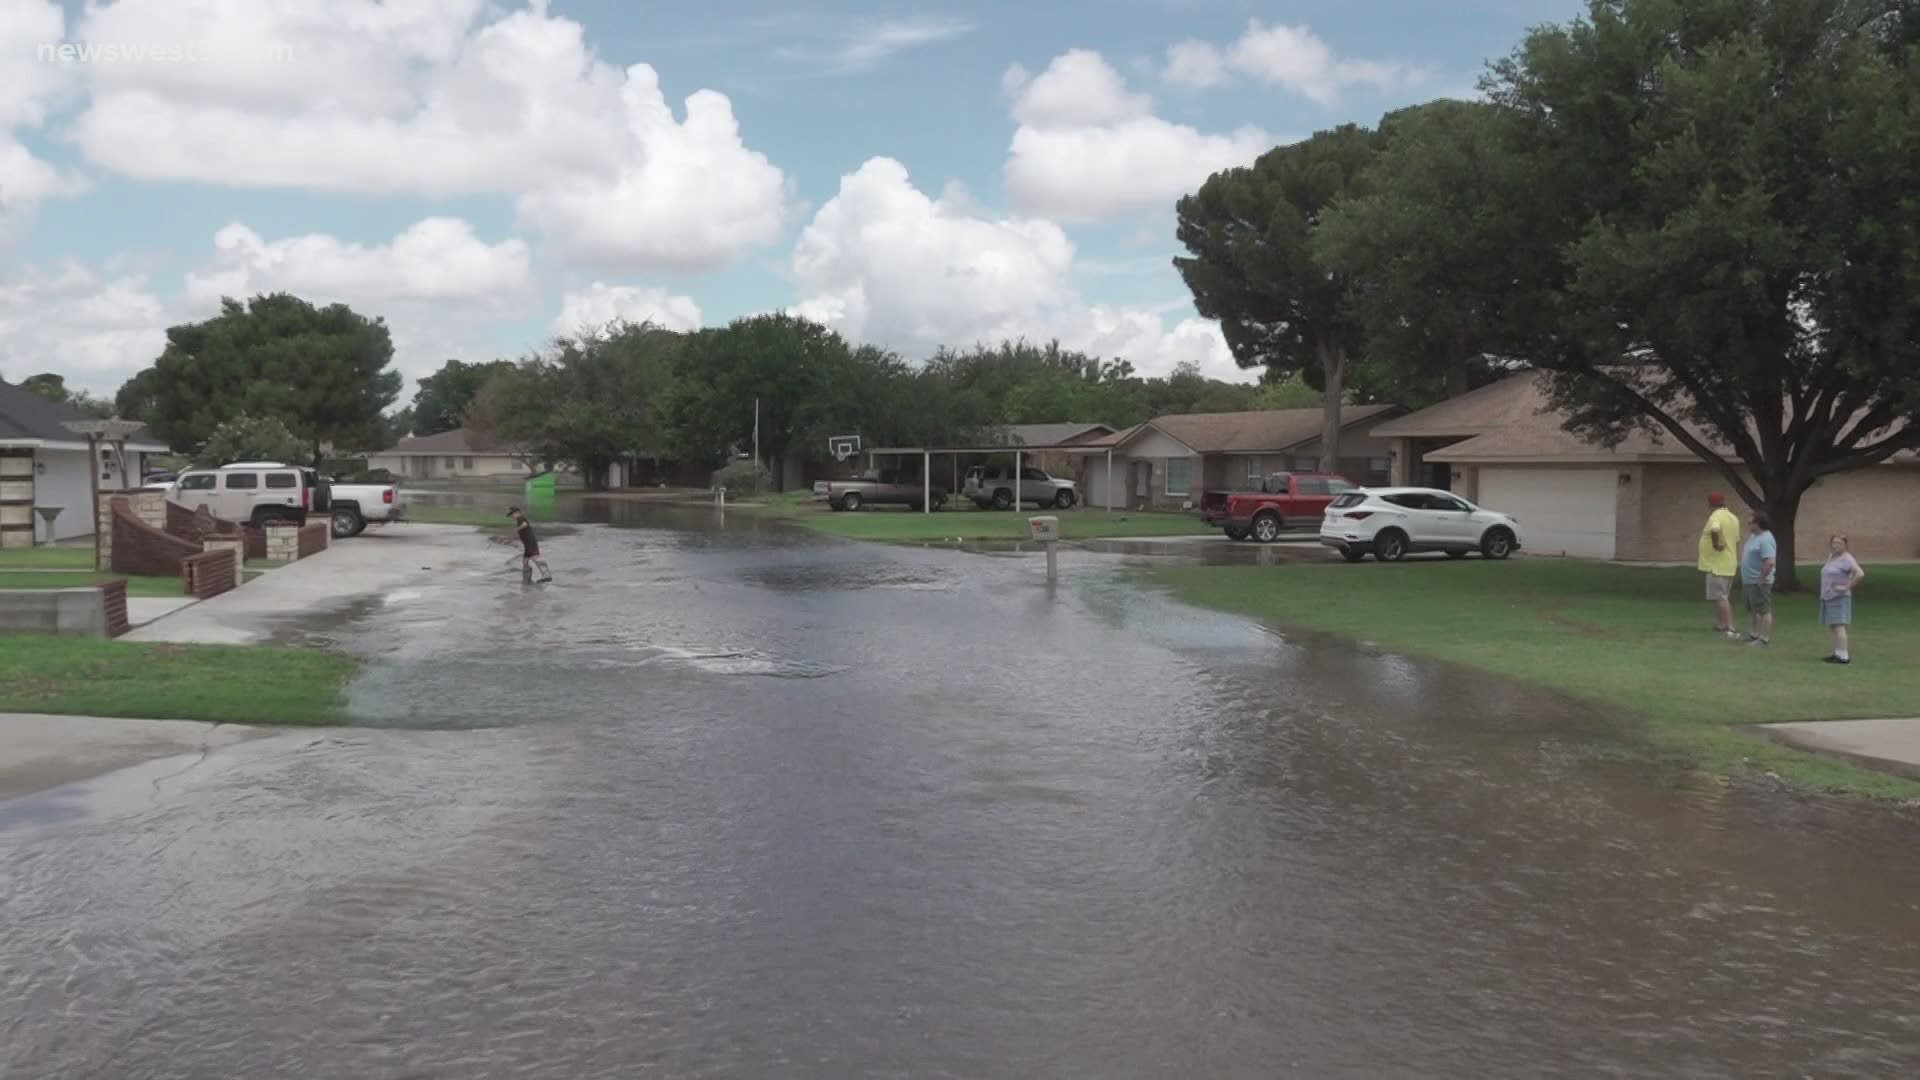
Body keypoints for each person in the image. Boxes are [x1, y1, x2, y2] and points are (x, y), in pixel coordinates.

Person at [1698, 492, 1741, 638]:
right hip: (1729, 563)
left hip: (1717, 564)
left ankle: (1730, 627)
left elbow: (1715, 529)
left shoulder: (1716, 516)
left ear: (1712, 504)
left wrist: (1716, 544)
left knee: (1721, 596)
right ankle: (1721, 624)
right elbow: (1736, 540)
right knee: (1722, 596)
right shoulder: (1733, 517)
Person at [1819, 534, 1865, 665]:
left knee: (1839, 625)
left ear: (1845, 544)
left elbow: (1860, 574)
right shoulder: (1832, 557)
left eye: (1839, 543)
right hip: (1828, 596)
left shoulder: (1847, 559)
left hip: (1839, 597)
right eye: (1833, 543)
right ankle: (1837, 653)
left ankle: (1844, 656)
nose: (1835, 545)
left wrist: (1846, 587)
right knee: (1833, 625)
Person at [1738, 511, 1776, 646]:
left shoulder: (1766, 539)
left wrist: (1761, 577)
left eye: (1751, 522)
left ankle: (1764, 639)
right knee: (1752, 609)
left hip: (1759, 581)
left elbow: (1770, 561)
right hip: (1749, 581)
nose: (1748, 524)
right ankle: (1754, 634)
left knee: (1763, 609)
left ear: (1758, 523)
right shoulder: (1753, 537)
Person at [507, 507, 552, 583]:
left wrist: (516, 530)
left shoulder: (521, 518)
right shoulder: (519, 520)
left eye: (512, 514)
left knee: (534, 557)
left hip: (530, 542)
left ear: (517, 512)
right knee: (525, 561)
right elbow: (522, 531)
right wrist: (512, 540)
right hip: (527, 543)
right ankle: (527, 580)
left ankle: (547, 575)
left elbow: (525, 525)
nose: (512, 516)